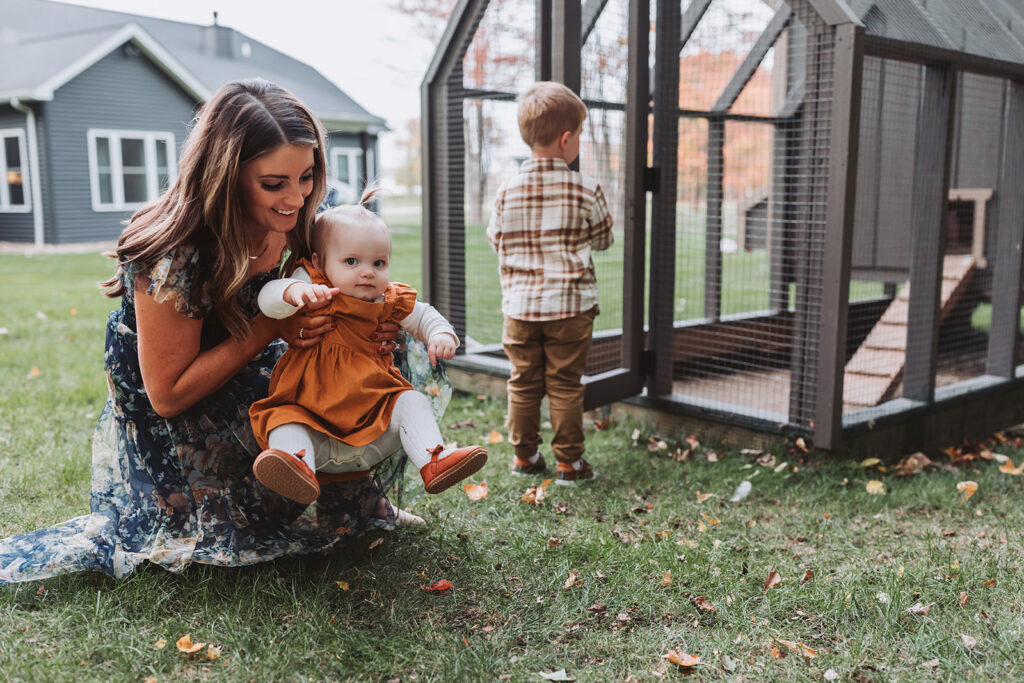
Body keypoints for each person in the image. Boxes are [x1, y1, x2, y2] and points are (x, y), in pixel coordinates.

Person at [0, 79, 428, 586]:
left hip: (261, 350)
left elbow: (344, 277)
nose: (296, 198)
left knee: (371, 375)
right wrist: (274, 327)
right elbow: (168, 394)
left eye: (307, 176)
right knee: (273, 441)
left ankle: (358, 505)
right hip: (183, 391)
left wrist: (364, 326)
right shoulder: (177, 251)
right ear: (226, 175)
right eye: (274, 184)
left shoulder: (306, 212)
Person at [249, 188, 488, 506]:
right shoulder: (315, 287)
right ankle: (296, 464)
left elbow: (423, 314)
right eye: (351, 261)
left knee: (411, 401)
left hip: (374, 427)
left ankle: (433, 458)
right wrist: (293, 292)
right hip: (312, 423)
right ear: (320, 262)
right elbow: (269, 298)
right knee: (284, 420)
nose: (367, 271)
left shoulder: (388, 298)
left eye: (379, 262)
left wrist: (441, 334)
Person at [486, 81, 614, 485]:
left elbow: (496, 238)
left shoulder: (506, 189)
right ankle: (569, 464)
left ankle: (524, 457)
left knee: (523, 382)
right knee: (564, 384)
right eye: (578, 135)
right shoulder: (586, 188)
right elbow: (604, 239)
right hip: (571, 308)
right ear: (565, 139)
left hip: (520, 309)